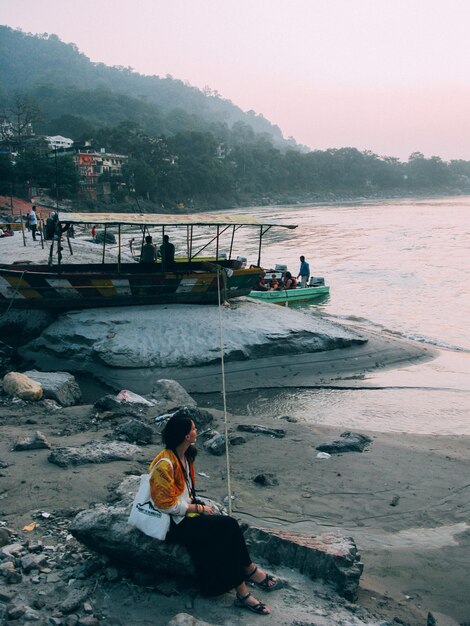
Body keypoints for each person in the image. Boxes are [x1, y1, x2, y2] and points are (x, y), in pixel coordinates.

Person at [149, 412, 278, 615]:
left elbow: (186, 492)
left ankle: (247, 578)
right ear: (185, 436)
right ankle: (246, 583)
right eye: (193, 428)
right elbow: (164, 505)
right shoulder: (165, 463)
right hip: (172, 522)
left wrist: (195, 505)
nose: (196, 431)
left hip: (184, 514)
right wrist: (197, 508)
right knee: (226, 528)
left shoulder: (186, 455)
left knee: (224, 530)